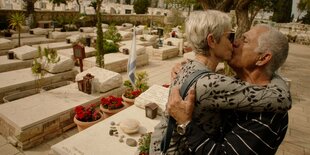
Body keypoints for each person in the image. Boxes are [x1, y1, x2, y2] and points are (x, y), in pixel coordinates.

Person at [149, 10, 291, 155]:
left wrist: (186, 124)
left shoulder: (268, 116)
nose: (234, 42)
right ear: (211, 41)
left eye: (244, 40)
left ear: (263, 58)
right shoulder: (211, 82)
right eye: (230, 36)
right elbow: (282, 99)